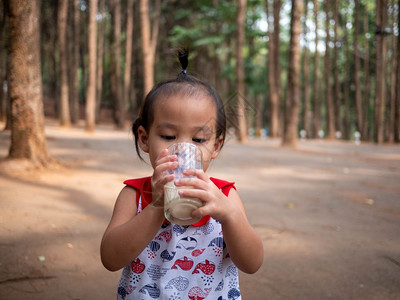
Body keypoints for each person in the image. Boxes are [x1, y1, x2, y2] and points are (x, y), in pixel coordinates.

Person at [100, 49, 263, 300]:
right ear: (144, 139)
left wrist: (230, 216)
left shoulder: (225, 196)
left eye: (199, 139)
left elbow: (252, 263)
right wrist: (155, 207)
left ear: (216, 146)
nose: (184, 150)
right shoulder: (134, 196)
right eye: (168, 137)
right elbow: (110, 259)